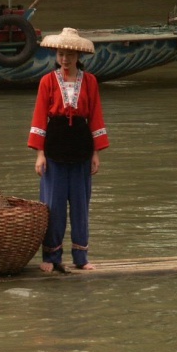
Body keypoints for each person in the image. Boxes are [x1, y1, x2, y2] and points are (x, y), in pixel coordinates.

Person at [27, 28, 110, 273]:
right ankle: (51, 257)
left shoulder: (91, 81)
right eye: (61, 54)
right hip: (55, 147)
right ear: (57, 55)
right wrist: (40, 154)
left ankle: (81, 257)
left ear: (77, 55)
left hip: (81, 148)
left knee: (80, 204)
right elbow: (40, 117)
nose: (65, 59)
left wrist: (95, 153)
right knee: (52, 205)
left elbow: (95, 116)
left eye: (70, 55)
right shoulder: (47, 81)